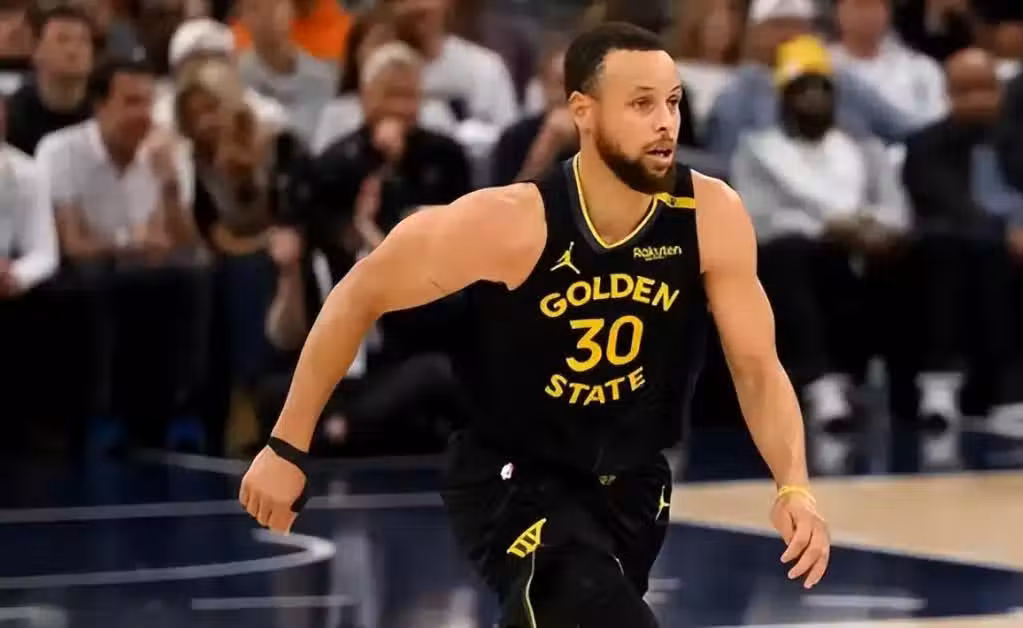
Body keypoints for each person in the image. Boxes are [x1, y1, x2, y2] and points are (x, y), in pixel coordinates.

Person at [238, 21, 830, 627]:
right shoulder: (515, 223)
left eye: (673, 102)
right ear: (584, 112)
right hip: (515, 478)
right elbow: (358, 294)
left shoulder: (709, 214)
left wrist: (794, 486)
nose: (666, 123)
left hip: (634, 484)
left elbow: (757, 367)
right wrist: (285, 446)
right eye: (642, 104)